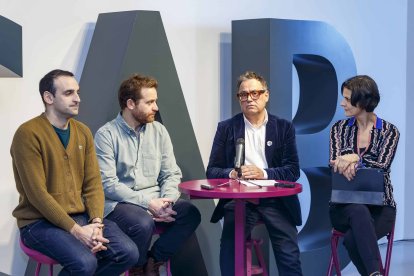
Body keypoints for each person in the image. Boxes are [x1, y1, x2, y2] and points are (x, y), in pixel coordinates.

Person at [11, 69, 139, 275]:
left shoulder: (83, 132)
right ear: (48, 97)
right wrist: (78, 232)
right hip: (38, 223)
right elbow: (37, 194)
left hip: (81, 216)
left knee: (128, 253)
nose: (78, 99)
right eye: (69, 93)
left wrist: (96, 222)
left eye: (77, 92)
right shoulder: (27, 134)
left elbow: (93, 184)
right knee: (84, 263)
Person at [94, 73, 201, 276]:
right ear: (131, 104)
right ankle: (138, 269)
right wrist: (148, 204)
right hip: (120, 203)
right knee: (142, 222)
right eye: (150, 102)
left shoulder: (159, 131)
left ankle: (154, 259)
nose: (156, 107)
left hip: (157, 200)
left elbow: (171, 173)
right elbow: (108, 184)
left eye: (156, 101)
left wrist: (167, 201)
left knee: (190, 213)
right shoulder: (106, 135)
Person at [206, 71, 303, 276]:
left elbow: (292, 170)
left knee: (289, 256)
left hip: (276, 200)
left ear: (266, 95)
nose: (249, 98)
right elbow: (212, 171)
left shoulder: (283, 127)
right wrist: (232, 173)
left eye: (255, 93)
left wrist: (263, 173)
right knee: (230, 249)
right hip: (241, 200)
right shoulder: (227, 128)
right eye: (243, 94)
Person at [329, 75, 399, 276]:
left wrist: (354, 159)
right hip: (343, 205)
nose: (342, 103)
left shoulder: (389, 131)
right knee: (358, 211)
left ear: (364, 101)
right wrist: (346, 161)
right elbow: (334, 163)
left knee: (352, 239)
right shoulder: (338, 129)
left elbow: (382, 166)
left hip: (381, 207)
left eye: (348, 99)